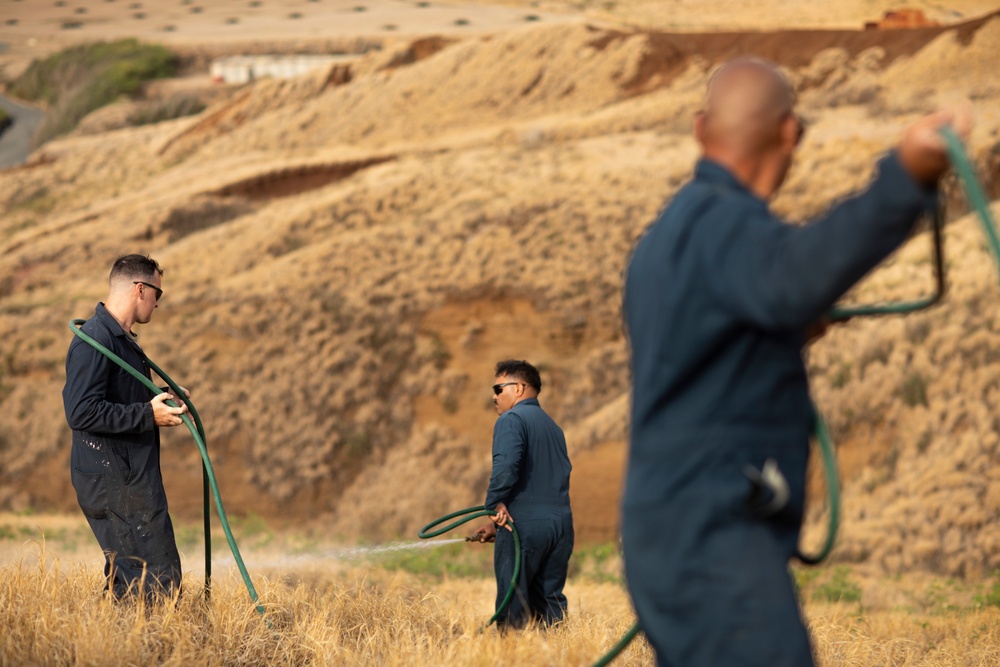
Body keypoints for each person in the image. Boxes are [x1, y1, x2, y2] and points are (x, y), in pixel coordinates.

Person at [621, 57, 970, 666]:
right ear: (791, 134)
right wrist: (905, 176)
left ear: (701, 130)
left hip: (665, 539)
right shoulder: (728, 228)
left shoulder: (664, 240)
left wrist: (781, 333)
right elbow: (796, 275)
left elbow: (700, 356)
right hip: (717, 543)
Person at [63, 254, 189, 600]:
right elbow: (80, 412)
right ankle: (143, 649)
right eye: (157, 294)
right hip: (114, 482)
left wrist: (163, 398)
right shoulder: (94, 341)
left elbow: (121, 399)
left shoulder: (120, 341)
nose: (158, 303)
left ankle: (116, 645)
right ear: (139, 289)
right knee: (154, 580)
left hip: (127, 478)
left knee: (134, 578)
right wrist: (149, 416)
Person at [471, 359, 574, 629]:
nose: (494, 396)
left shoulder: (511, 419)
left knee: (512, 606)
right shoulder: (554, 428)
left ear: (518, 388)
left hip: (523, 527)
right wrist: (497, 524)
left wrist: (494, 506)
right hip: (560, 528)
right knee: (550, 605)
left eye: (498, 388)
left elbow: (506, 467)